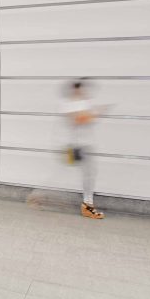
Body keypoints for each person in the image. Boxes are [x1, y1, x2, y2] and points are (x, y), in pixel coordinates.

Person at [64, 79, 104, 219]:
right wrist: (92, 114)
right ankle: (87, 205)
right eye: (80, 89)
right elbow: (77, 120)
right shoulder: (70, 104)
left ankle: (87, 204)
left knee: (89, 173)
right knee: (88, 174)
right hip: (78, 146)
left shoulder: (84, 103)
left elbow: (87, 118)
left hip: (84, 145)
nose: (83, 92)